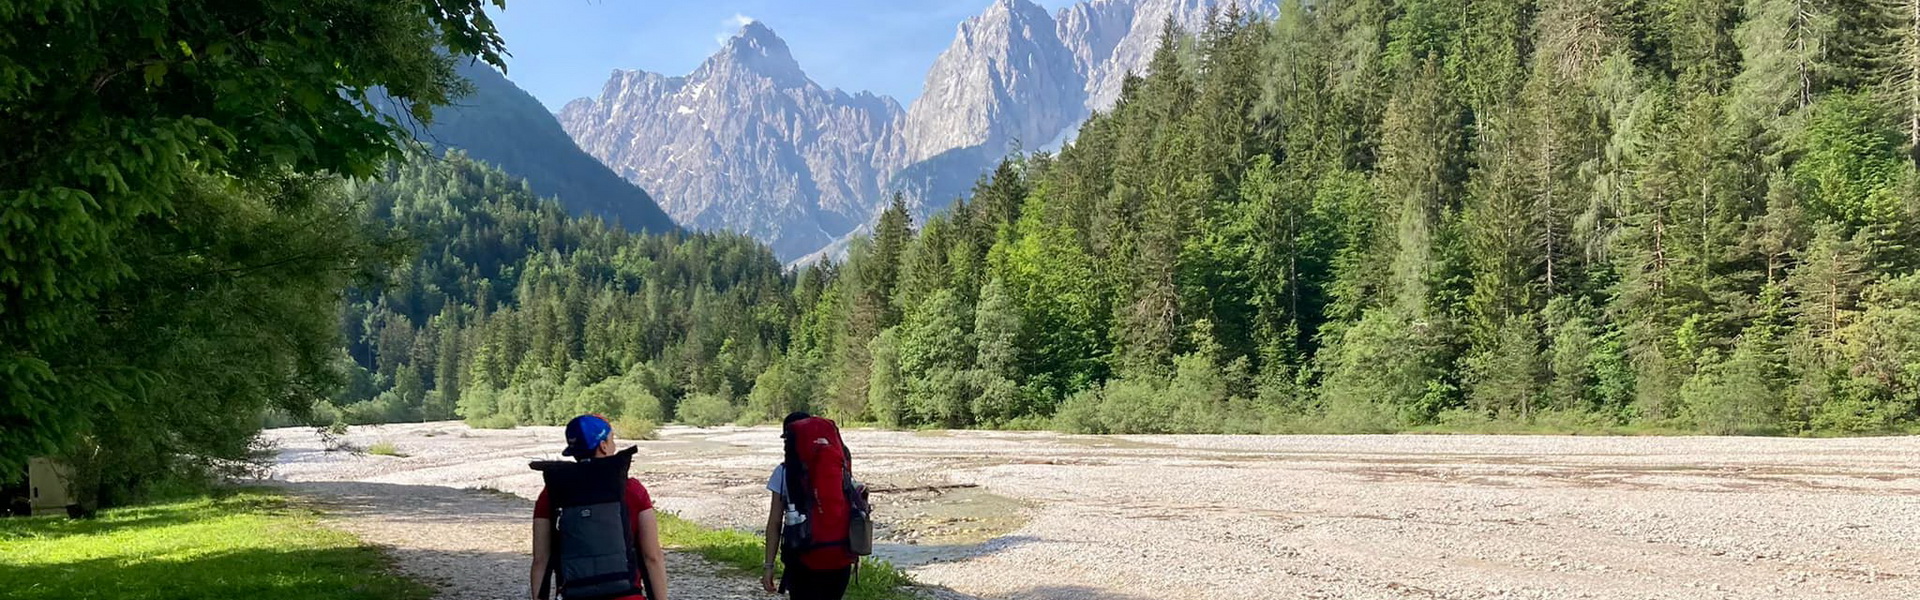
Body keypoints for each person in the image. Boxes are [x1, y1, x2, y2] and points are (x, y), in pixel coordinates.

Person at [530, 414, 669, 600]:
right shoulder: (632, 490)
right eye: (612, 439)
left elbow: (541, 561)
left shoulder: (550, 493)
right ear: (603, 446)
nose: (613, 445)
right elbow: (652, 557)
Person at [761, 412, 861, 600]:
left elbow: (774, 523)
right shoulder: (838, 466)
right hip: (839, 556)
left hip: (802, 557)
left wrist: (769, 566)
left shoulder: (783, 472)